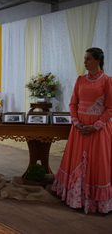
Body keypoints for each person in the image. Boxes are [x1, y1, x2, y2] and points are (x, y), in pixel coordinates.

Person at [52, 47, 112, 214]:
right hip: (79, 131)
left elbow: (110, 108)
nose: (85, 62)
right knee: (77, 162)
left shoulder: (108, 81)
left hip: (98, 132)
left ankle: (96, 203)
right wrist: (76, 122)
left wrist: (96, 126)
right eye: (85, 58)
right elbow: (73, 104)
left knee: (98, 165)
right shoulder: (80, 80)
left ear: (98, 61)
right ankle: (76, 199)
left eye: (88, 59)